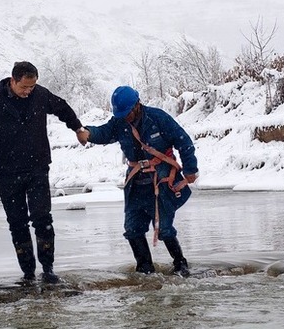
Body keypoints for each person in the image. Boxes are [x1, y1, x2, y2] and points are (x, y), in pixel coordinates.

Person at [0, 61, 87, 284]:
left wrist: (78, 128)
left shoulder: (40, 95)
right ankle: (28, 273)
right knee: (17, 223)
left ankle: (48, 269)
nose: (28, 92)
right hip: (7, 172)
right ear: (12, 81)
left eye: (32, 87)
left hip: (37, 169)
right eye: (24, 87)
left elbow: (63, 108)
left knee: (42, 219)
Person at [76, 86, 198, 277]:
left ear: (137, 105)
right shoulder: (118, 122)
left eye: (127, 113)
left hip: (162, 181)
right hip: (136, 183)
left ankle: (180, 264)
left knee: (165, 229)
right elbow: (104, 133)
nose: (125, 117)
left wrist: (191, 169)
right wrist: (88, 133)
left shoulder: (158, 118)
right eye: (121, 114)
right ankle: (145, 270)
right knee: (132, 229)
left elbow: (184, 142)